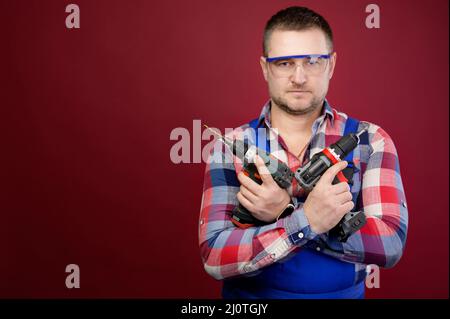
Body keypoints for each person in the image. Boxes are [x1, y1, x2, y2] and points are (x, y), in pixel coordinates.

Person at [198, 6, 408, 299]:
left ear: (331, 65)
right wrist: (306, 219)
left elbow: (390, 246)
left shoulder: (370, 141)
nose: (299, 77)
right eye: (284, 63)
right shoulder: (229, 147)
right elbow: (215, 256)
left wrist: (284, 214)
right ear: (265, 68)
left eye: (312, 61)